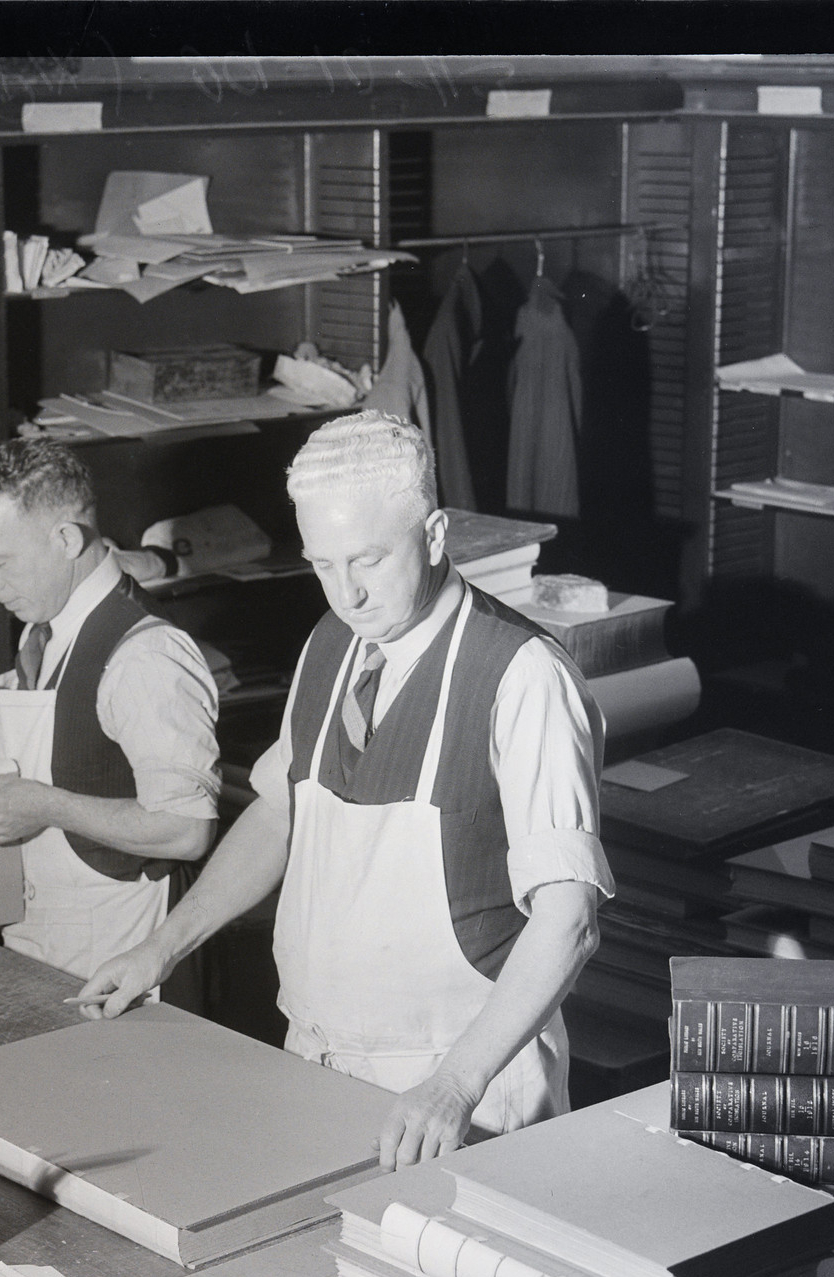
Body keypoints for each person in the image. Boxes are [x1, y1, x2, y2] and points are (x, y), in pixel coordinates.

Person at [78, 412, 614, 1169]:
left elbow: (569, 921)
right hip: (317, 1056)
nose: (346, 593)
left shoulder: (522, 676)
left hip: (457, 1084)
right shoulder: (332, 645)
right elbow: (279, 814)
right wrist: (162, 946)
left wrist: (454, 1086)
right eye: (323, 565)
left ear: (433, 536)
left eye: (367, 560)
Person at [0, 438, 221, 992]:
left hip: (118, 950)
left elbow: (187, 830)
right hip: (42, 931)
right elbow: (79, 748)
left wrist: (44, 805)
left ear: (67, 539)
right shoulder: (46, 626)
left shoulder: (145, 655)